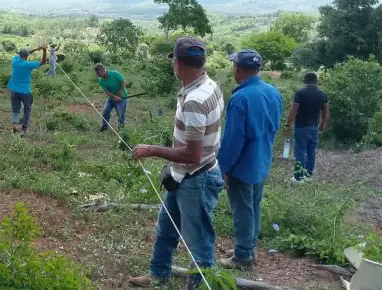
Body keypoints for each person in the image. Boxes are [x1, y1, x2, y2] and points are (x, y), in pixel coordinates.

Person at [128, 37, 225, 289]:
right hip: (185, 174)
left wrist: (151, 150)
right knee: (166, 228)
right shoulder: (209, 85)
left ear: (178, 63)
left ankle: (200, 285)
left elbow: (193, 154)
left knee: (199, 242)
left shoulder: (195, 100)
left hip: (197, 178)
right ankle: (158, 274)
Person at [217, 49, 283, 269]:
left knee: (243, 210)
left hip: (243, 166)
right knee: (253, 207)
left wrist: (222, 168)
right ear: (258, 69)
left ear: (237, 68)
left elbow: (233, 140)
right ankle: (247, 247)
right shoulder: (273, 92)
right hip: (262, 161)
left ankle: (243, 257)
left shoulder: (240, 98)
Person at [285, 72, 328, 182]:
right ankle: (308, 175)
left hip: (301, 127)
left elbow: (294, 109)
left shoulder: (300, 93)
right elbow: (325, 111)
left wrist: (288, 123)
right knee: (311, 151)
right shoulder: (322, 94)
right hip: (314, 127)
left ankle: (298, 177)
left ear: (305, 81)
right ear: (316, 81)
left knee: (300, 151)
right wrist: (323, 124)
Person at [6, 46, 48, 136]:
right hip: (25, 91)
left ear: (19, 54)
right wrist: (44, 50)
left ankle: (15, 126)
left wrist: (36, 49)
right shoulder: (29, 64)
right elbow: (43, 62)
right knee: (27, 110)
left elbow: (27, 52)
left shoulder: (15, 60)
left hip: (13, 90)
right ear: (27, 56)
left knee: (15, 109)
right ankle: (24, 129)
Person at [94, 63, 128, 131]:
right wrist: (114, 96)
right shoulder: (101, 80)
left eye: (98, 73)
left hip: (122, 97)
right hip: (111, 98)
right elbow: (107, 92)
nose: (98, 75)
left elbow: (123, 81)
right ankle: (104, 127)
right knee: (105, 111)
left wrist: (120, 91)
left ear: (103, 70)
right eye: (96, 73)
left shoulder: (114, 73)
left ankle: (121, 129)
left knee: (120, 114)